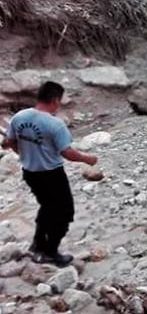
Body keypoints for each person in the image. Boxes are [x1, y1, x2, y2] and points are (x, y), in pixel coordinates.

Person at [2, 82, 98, 267]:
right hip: (52, 175)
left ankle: (37, 245)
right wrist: (88, 159)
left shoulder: (19, 117)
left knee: (46, 207)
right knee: (64, 212)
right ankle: (51, 251)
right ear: (55, 100)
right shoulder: (55, 124)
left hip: (30, 173)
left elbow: (9, 142)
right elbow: (66, 152)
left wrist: (19, 151)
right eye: (59, 101)